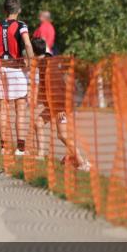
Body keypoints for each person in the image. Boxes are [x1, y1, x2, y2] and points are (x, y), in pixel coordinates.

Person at [0, 0, 34, 157]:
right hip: (16, 69)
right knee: (20, 110)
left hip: (1, 70)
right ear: (19, 10)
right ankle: (20, 148)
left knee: (2, 108)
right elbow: (27, 43)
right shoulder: (21, 25)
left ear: (4, 10)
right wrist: (32, 63)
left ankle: (4, 147)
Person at [30, 36, 90, 171]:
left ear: (33, 52)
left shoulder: (45, 64)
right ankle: (41, 155)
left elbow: (53, 86)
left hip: (59, 104)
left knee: (62, 134)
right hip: (52, 104)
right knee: (38, 123)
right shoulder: (47, 60)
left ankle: (82, 163)